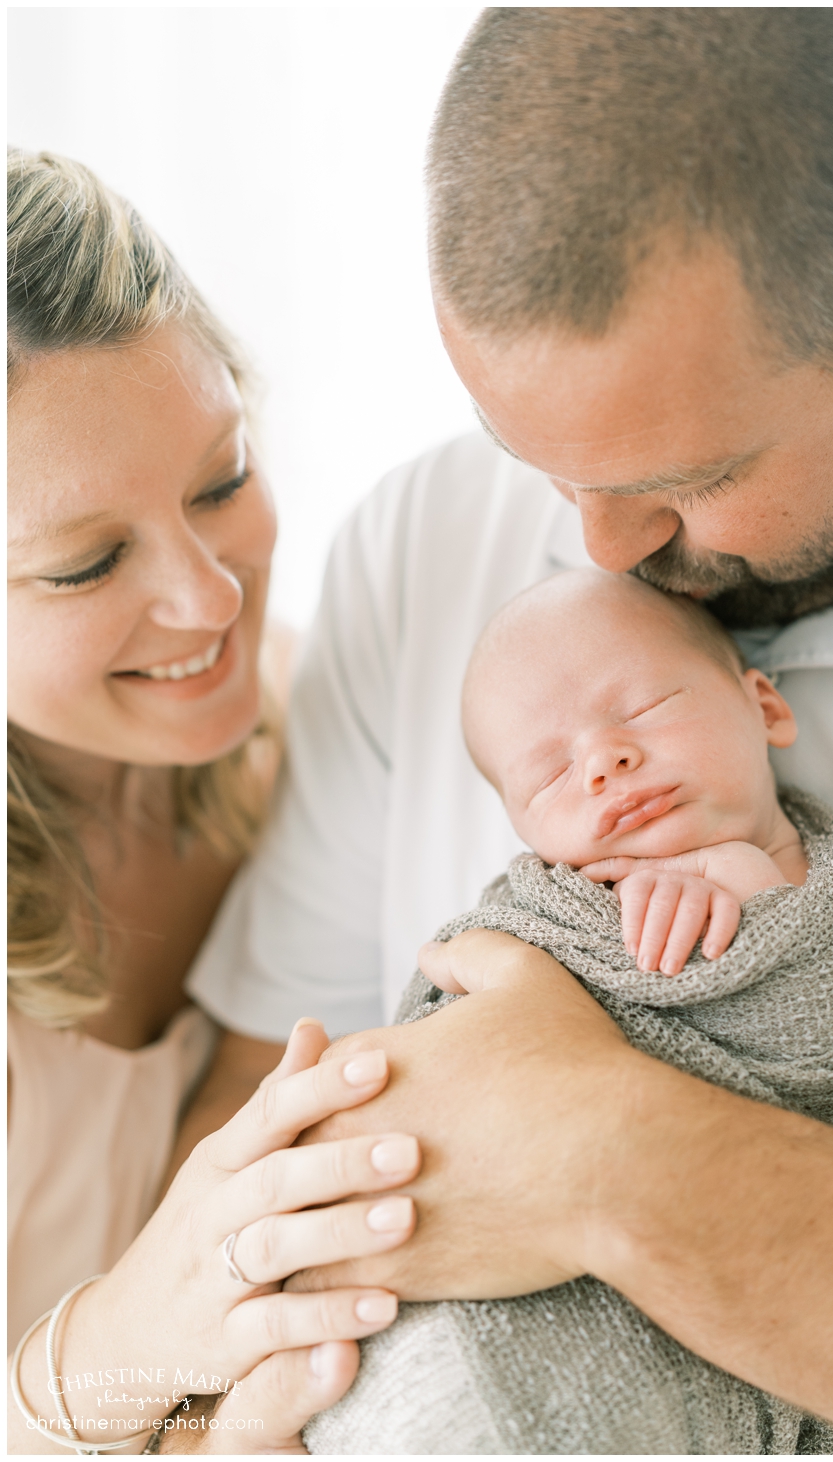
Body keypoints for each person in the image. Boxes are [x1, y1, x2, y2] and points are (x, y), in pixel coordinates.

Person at [181, 12, 833, 1452]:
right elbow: (251, 1105)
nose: (595, 542)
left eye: (690, 474)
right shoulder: (423, 538)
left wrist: (609, 1150)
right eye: (532, 458)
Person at [306, 569, 833, 1452]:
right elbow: (439, 1045)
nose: (604, 760)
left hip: (733, 1307)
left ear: (764, 706)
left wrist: (761, 915)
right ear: (528, 835)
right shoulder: (542, 921)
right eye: (550, 771)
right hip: (449, 1303)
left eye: (641, 710)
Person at [7, 149, 425, 1453]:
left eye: (222, 478)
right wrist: (116, 1362)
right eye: (85, 566)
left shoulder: (323, 710)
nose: (210, 600)